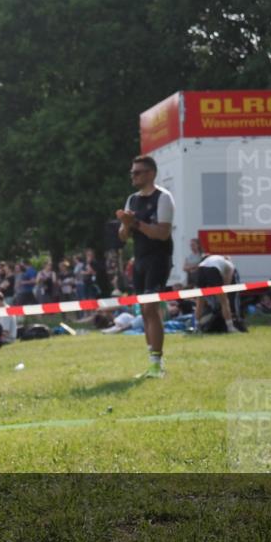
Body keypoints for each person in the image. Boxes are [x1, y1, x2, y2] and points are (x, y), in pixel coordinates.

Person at [116, 154, 175, 379]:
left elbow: (162, 233)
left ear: (150, 173)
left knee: (151, 309)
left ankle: (157, 363)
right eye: (132, 172)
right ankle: (153, 361)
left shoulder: (163, 197)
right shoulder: (132, 199)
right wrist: (125, 225)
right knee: (144, 311)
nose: (133, 176)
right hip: (139, 260)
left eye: (137, 172)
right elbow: (123, 237)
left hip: (159, 258)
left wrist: (136, 224)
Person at [194, 254, 239, 333]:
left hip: (200, 268)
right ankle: (230, 327)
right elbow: (227, 284)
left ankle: (196, 327)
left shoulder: (215, 259)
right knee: (224, 302)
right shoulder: (230, 265)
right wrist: (221, 295)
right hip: (213, 270)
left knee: (200, 302)